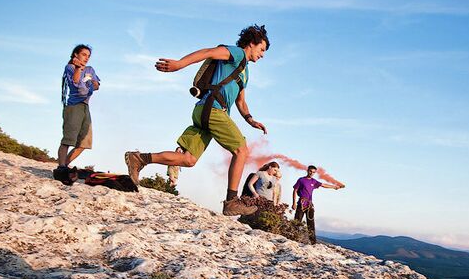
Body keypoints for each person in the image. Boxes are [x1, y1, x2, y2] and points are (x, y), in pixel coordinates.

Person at [124, 24, 269, 216]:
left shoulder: (245, 71)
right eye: (262, 49)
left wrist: (250, 120)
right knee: (241, 150)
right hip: (213, 109)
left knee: (188, 159)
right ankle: (232, 201)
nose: (262, 54)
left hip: (205, 111)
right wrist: (179, 64)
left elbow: (241, 101)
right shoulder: (237, 53)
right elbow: (208, 52)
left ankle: (139, 158)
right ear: (252, 43)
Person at [54, 44, 100, 185]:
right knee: (68, 139)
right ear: (76, 55)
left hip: (85, 106)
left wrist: (92, 81)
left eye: (88, 56)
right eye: (84, 54)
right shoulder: (70, 68)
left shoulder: (90, 69)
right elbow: (75, 83)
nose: (86, 58)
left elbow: (97, 85)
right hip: (74, 106)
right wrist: (78, 68)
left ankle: (65, 164)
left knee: (84, 142)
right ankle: (61, 167)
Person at [292, 165, 344, 244]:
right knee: (297, 222)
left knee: (311, 224)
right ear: (307, 170)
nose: (311, 173)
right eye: (310, 171)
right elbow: (295, 190)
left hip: (309, 205)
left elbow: (323, 185)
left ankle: (313, 242)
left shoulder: (314, 181)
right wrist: (293, 203)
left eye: (313, 172)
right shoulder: (301, 180)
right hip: (301, 204)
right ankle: (293, 238)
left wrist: (334, 187)